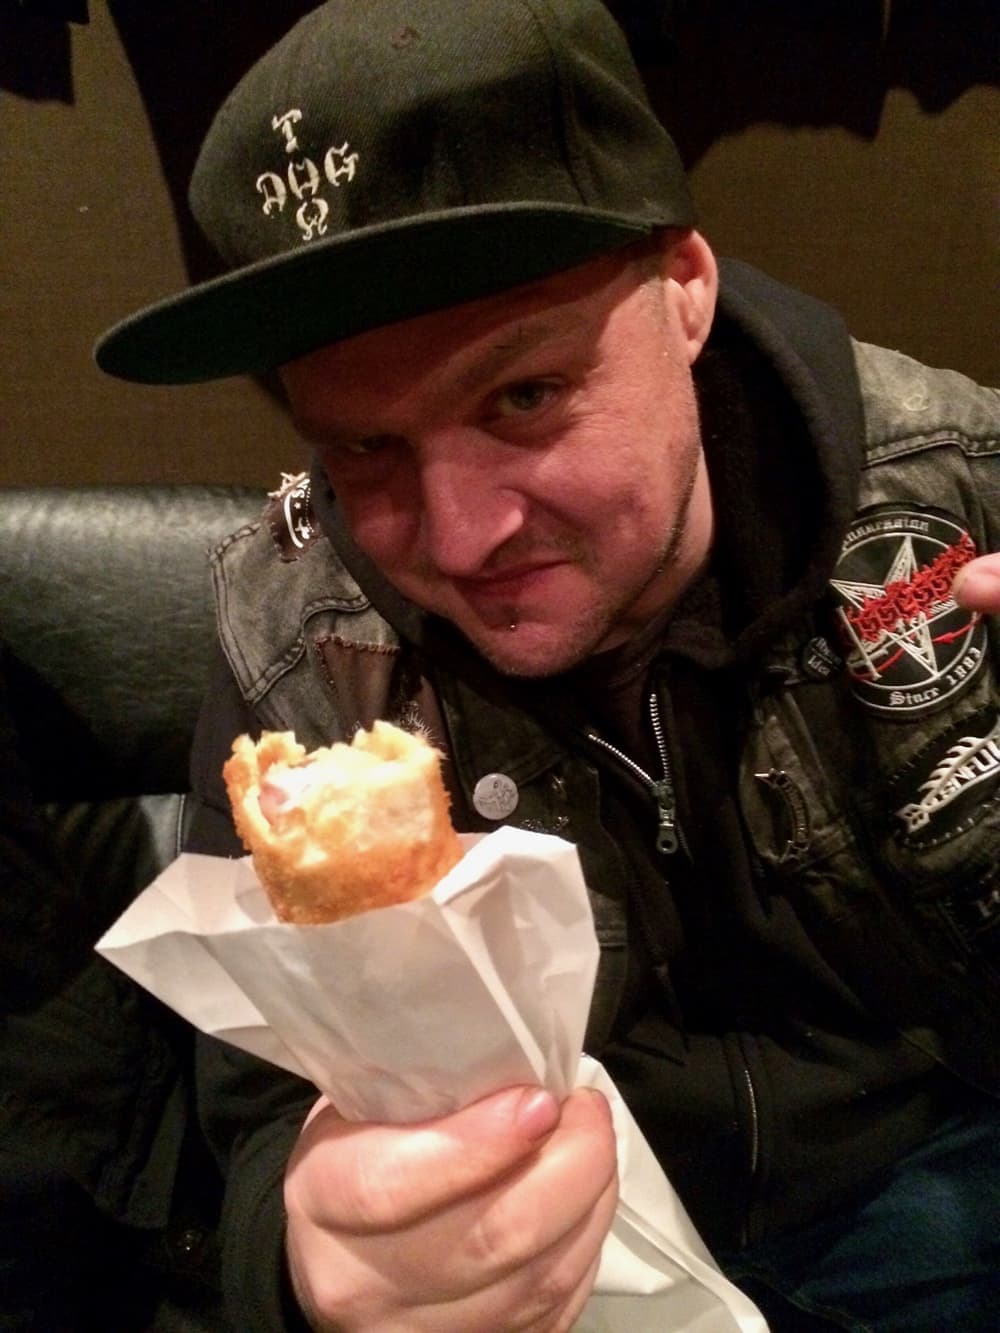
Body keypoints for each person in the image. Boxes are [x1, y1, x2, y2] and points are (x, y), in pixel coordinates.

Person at [93, 1, 1000, 1329]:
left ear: (684, 288)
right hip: (566, 1259)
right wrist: (317, 1263)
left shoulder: (962, 498)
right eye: (366, 449)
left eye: (523, 396)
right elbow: (266, 1119)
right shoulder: (296, 643)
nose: (461, 539)